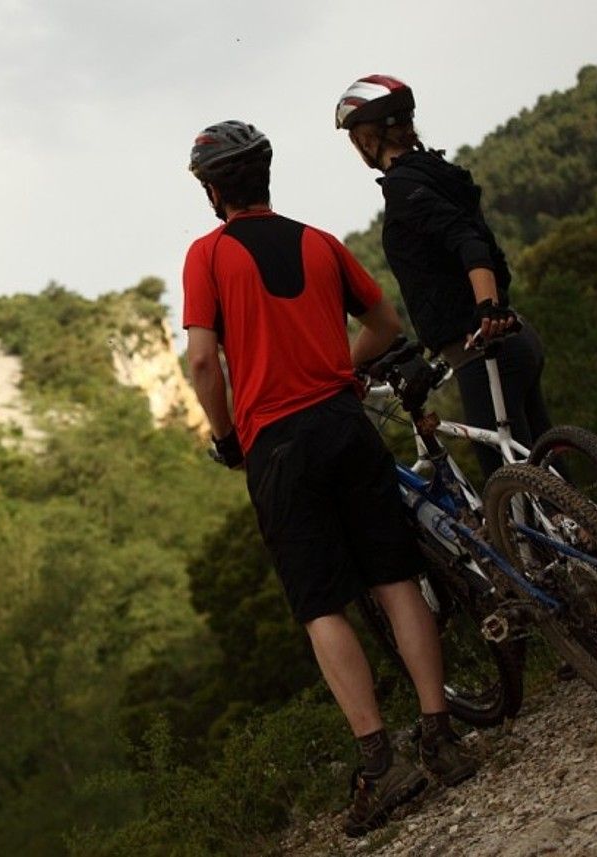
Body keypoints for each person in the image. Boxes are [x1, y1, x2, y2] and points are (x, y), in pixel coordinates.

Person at [181, 120, 476, 837]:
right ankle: (440, 733)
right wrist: (336, 369)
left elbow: (199, 363)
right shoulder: (319, 242)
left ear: (214, 190)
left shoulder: (207, 256)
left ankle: (381, 760)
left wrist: (227, 437)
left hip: (277, 443)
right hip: (345, 426)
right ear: (267, 179)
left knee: (321, 603)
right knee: (395, 574)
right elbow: (383, 323)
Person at [334, 74, 553, 476]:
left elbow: (466, 240)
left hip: (482, 350)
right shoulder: (436, 171)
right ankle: (594, 537)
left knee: (511, 487)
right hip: (518, 339)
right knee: (550, 480)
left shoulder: (403, 186)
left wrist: (486, 308)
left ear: (367, 141)